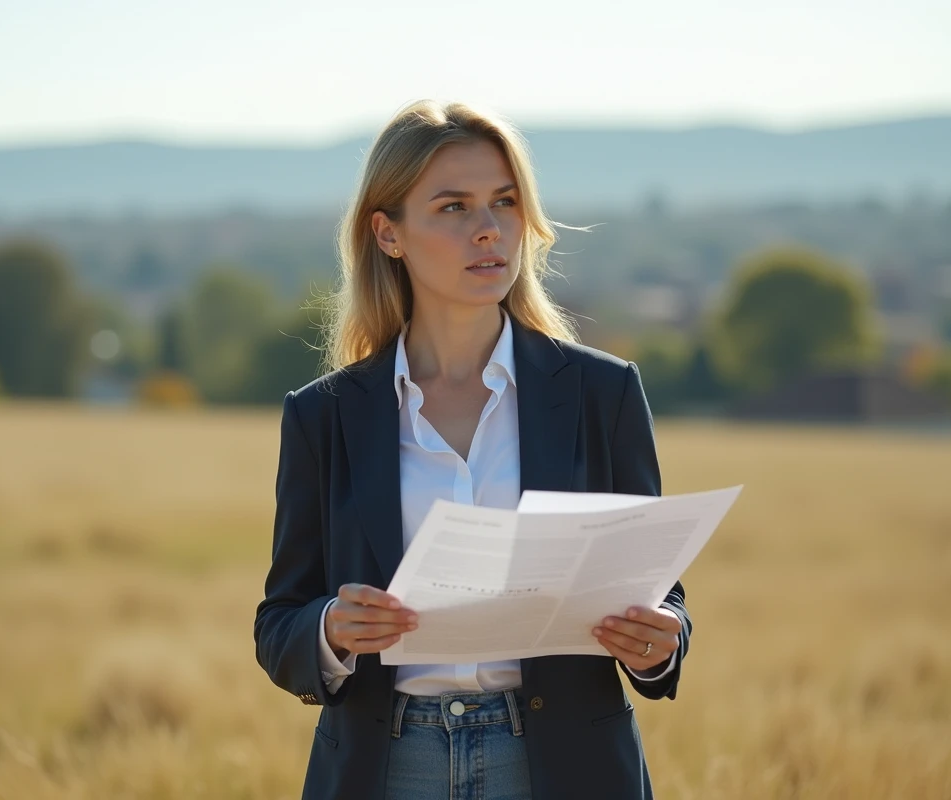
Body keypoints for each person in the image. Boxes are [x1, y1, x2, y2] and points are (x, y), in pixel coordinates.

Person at [254, 100, 691, 800]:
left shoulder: (600, 393)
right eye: (453, 207)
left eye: (505, 202)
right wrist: (332, 628)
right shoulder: (322, 416)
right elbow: (280, 623)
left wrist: (660, 638)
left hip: (564, 768)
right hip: (387, 768)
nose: (488, 230)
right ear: (388, 233)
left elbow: (657, 593)